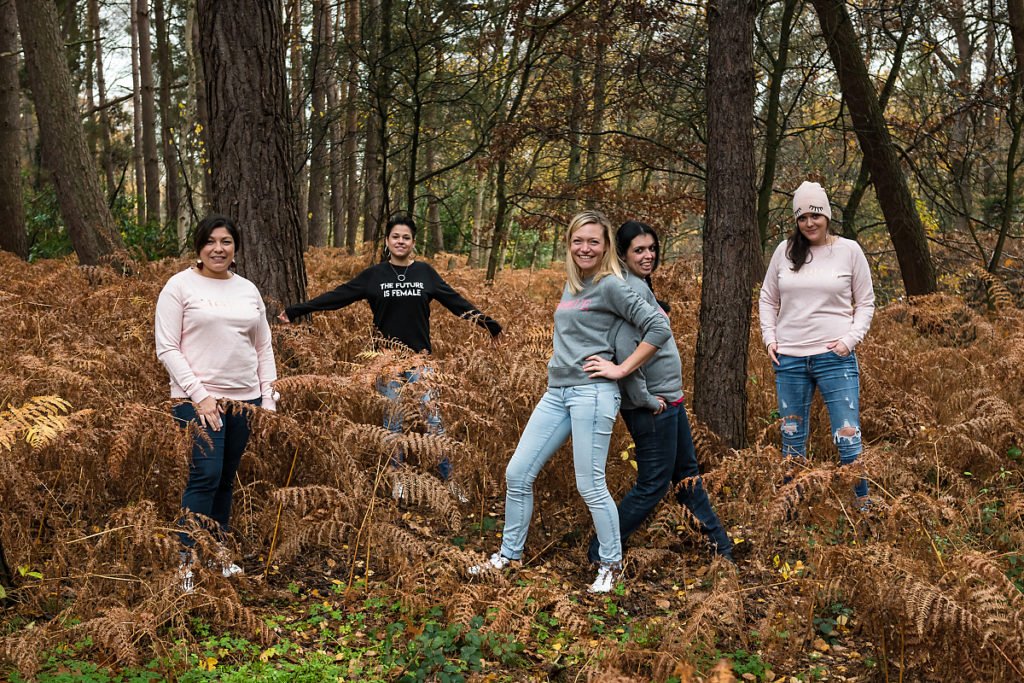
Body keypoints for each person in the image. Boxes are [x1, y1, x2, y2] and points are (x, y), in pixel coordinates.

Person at [469, 210, 672, 593]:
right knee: (518, 473)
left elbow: (658, 326)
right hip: (557, 391)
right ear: (569, 244)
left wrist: (620, 368)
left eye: (593, 241)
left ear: (606, 246)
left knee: (590, 484)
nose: (585, 247)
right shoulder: (575, 283)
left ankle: (611, 566)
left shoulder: (612, 284)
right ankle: (510, 556)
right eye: (578, 240)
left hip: (591, 394)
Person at [278, 215, 501, 496]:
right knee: (392, 424)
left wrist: (487, 323)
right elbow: (338, 296)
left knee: (434, 421)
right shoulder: (374, 276)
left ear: (413, 242)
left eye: (406, 237)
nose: (400, 241)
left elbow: (455, 301)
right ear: (387, 241)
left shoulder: (425, 273)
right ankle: (397, 481)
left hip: (420, 360)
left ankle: (450, 480)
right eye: (395, 236)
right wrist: (299, 309)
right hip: (387, 362)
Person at [585, 220, 733, 565]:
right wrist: (646, 399)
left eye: (652, 248)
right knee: (653, 485)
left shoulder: (640, 286)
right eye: (639, 250)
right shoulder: (628, 289)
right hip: (652, 408)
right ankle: (601, 550)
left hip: (669, 401)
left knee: (687, 479)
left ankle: (720, 548)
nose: (648, 255)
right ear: (622, 255)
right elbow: (624, 348)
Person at [155, 215, 278, 593]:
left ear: (236, 248)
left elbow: (263, 346)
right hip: (197, 400)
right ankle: (187, 561)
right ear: (199, 247)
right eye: (211, 241)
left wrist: (267, 399)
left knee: (225, 479)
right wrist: (200, 394)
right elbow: (167, 347)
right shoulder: (179, 286)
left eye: (226, 241)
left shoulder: (247, 289)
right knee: (204, 476)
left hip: (245, 400)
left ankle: (219, 552)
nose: (218, 249)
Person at [758, 181, 875, 504]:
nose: (810, 223)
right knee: (792, 442)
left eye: (816, 215)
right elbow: (767, 298)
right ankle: (790, 513)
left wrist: (849, 341)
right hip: (790, 360)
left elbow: (865, 302)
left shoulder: (849, 250)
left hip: (835, 358)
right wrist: (770, 338)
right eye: (802, 217)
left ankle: (862, 509)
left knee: (848, 439)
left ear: (827, 215)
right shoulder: (784, 251)